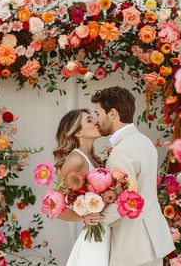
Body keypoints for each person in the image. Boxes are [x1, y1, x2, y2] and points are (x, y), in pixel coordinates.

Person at [91, 86, 175, 266]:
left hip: (133, 245)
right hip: (151, 240)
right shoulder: (143, 141)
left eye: (98, 113)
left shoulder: (122, 151)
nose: (97, 120)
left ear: (112, 113)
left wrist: (94, 221)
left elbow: (124, 201)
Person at [53, 109, 110, 266]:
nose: (96, 122)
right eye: (90, 120)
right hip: (95, 237)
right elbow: (56, 207)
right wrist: (83, 218)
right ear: (78, 133)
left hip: (106, 231)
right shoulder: (76, 159)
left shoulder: (94, 158)